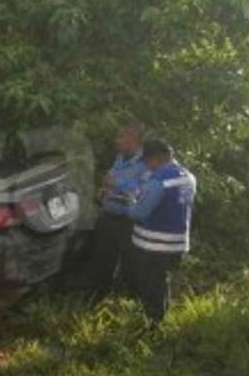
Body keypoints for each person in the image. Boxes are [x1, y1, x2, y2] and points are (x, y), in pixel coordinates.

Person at [120, 138, 196, 324]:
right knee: (161, 282)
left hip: (154, 245)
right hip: (177, 244)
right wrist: (127, 187)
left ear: (158, 158)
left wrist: (129, 204)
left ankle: (152, 326)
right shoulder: (188, 177)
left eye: (148, 161)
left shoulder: (159, 180)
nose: (147, 166)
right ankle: (159, 319)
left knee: (151, 286)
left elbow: (139, 212)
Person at [83, 120, 147, 302]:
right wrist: (103, 190)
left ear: (132, 138)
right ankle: (96, 299)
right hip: (109, 216)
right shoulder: (120, 158)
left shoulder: (146, 162)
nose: (116, 141)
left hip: (129, 222)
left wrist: (116, 183)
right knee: (102, 260)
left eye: (120, 137)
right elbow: (110, 179)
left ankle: (135, 304)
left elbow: (143, 190)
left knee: (132, 264)